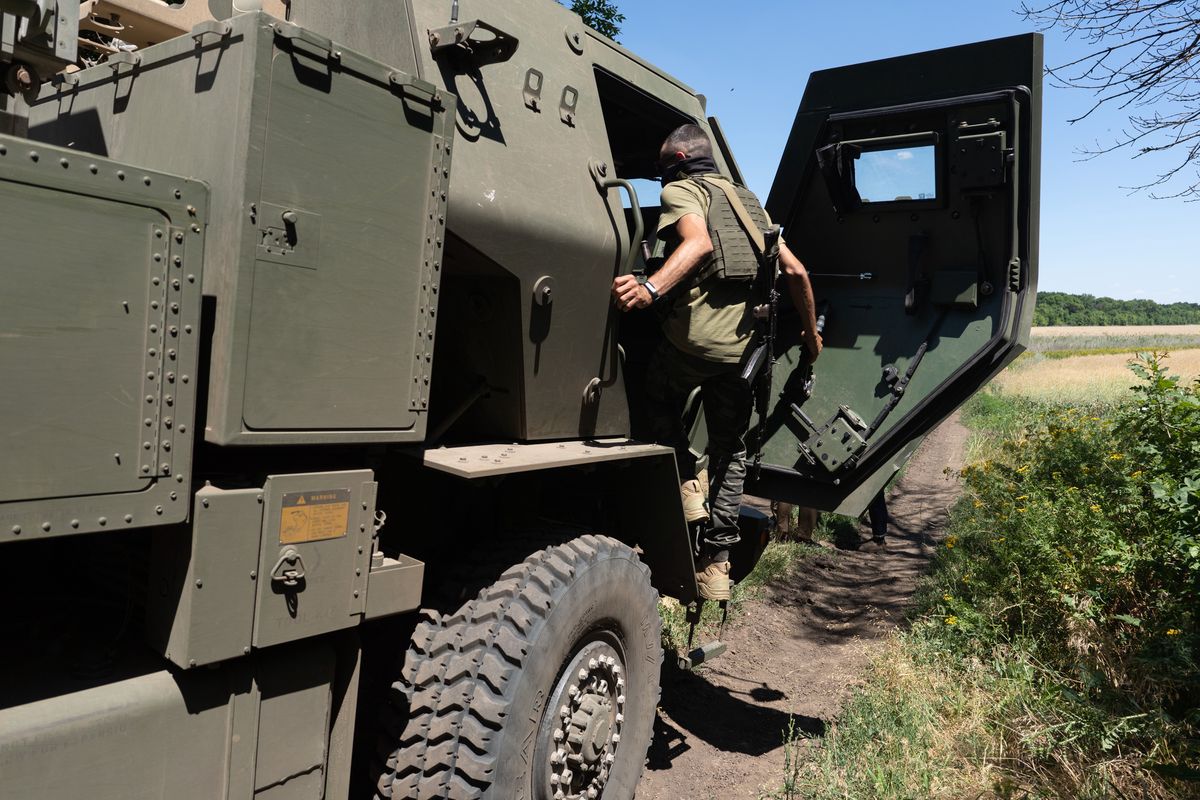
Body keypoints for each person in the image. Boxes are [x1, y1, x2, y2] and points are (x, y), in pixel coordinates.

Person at [611, 124, 823, 601]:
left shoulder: (685, 190)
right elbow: (796, 271)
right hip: (742, 355)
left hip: (692, 346)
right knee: (731, 451)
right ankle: (718, 565)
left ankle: (686, 486)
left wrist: (649, 288)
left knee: (656, 401)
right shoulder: (750, 203)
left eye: (664, 168)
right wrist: (811, 335)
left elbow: (699, 243)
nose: (662, 178)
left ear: (682, 157)